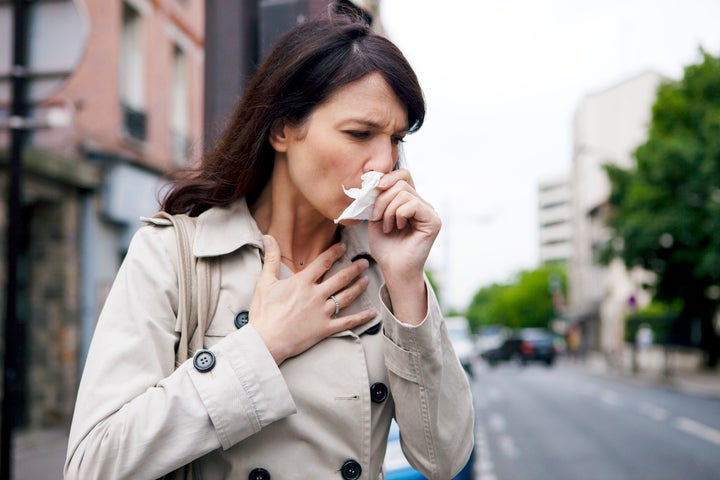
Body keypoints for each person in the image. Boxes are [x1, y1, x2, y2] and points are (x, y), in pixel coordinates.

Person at [65, 12, 474, 480]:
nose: (384, 162)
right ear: (282, 130)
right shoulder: (174, 256)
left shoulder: (386, 269)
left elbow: (445, 460)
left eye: (396, 139)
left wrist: (405, 282)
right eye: (360, 133)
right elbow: (93, 465)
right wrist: (261, 348)